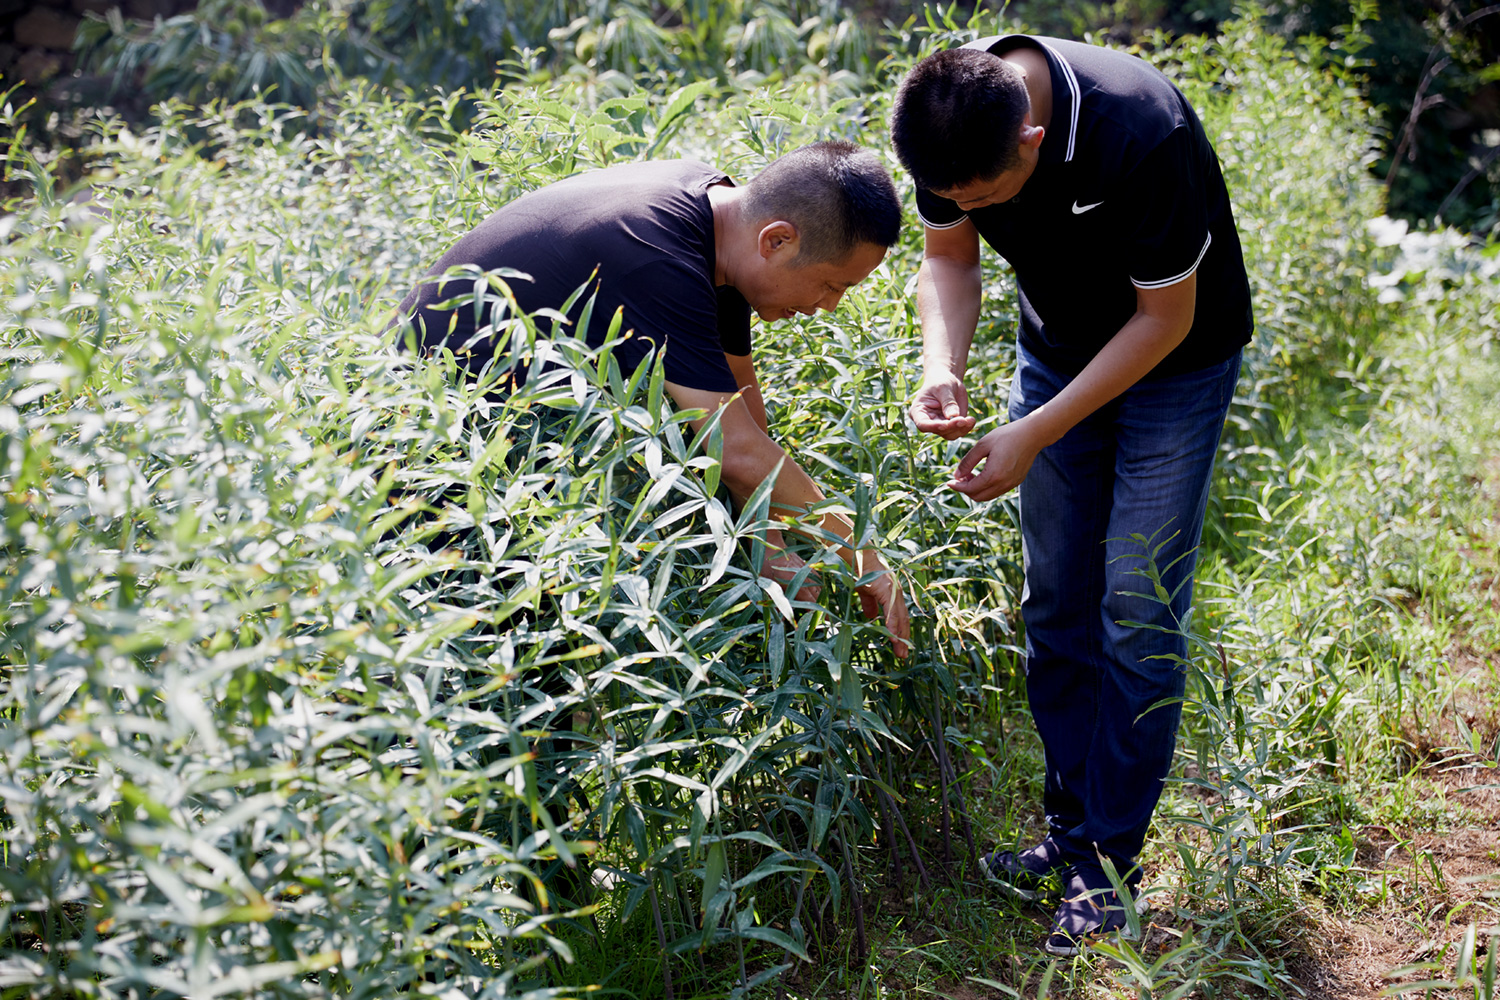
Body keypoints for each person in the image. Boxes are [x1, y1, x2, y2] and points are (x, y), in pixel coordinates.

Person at [890, 36, 1253, 953]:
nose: (965, 208)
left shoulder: (1142, 131)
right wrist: (943, 366)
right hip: (1055, 349)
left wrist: (1036, 429)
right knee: (1055, 600)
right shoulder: (947, 124)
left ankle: (1109, 865)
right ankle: (1069, 830)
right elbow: (951, 260)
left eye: (982, 195)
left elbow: (1165, 319)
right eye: (952, 196)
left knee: (1136, 605)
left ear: (1034, 138)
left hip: (1175, 361)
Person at [393, 141, 910, 657]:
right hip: (423, 441)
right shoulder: (654, 249)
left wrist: (767, 536)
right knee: (486, 659)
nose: (829, 307)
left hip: (496, 439)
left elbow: (741, 409)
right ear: (777, 241)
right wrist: (860, 551)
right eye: (829, 284)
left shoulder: (723, 223)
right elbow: (733, 449)